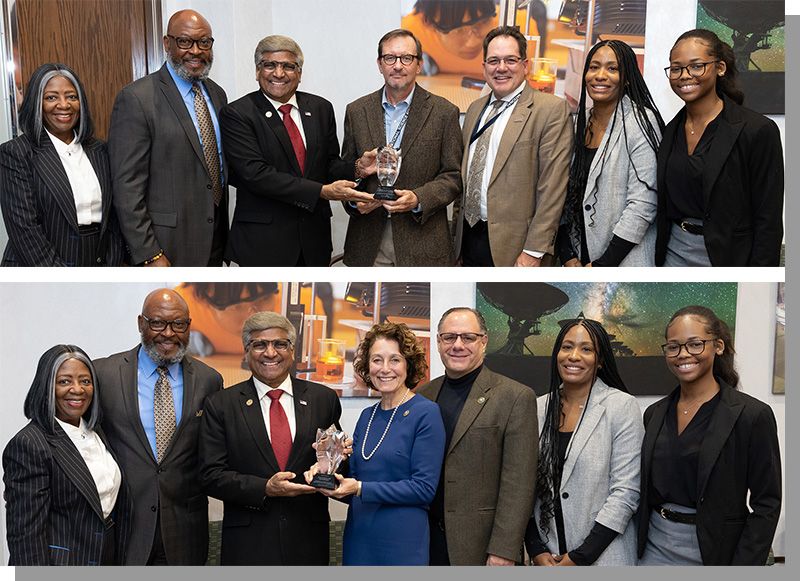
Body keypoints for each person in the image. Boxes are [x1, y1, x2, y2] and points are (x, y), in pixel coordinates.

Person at [638, 306, 782, 565]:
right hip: (654, 546)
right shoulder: (654, 414)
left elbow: (767, 503)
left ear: (718, 346)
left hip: (715, 550)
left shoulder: (751, 415)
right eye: (673, 347)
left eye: (695, 344)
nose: (683, 355)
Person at [199, 311, 343, 565]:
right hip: (248, 545)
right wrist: (264, 488)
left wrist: (340, 458)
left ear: (292, 350)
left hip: (308, 542)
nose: (270, 353)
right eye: (260, 345)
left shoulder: (324, 399)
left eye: (279, 344)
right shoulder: (221, 404)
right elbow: (211, 476)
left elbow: (334, 465)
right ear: (246, 351)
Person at [93, 288, 223, 565]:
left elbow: (214, 449)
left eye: (179, 324)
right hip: (122, 525)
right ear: (141, 323)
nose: (168, 333)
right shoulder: (104, 374)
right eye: (158, 323)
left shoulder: (209, 380)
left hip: (185, 530)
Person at [220, 35, 374, 267]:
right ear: (257, 71)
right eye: (270, 65)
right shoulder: (238, 114)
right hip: (263, 243)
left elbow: (329, 164)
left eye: (288, 66)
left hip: (314, 240)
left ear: (299, 73)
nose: (279, 73)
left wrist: (357, 168)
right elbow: (255, 175)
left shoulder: (321, 108)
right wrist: (321, 191)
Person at [306, 322, 446, 565]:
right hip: (359, 539)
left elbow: (423, 489)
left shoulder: (426, 413)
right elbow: (353, 489)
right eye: (377, 360)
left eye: (395, 360)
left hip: (402, 542)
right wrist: (327, 474)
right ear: (366, 366)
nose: (385, 369)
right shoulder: (367, 416)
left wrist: (359, 488)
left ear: (408, 364)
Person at [417, 307, 538, 565]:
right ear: (438, 342)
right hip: (425, 542)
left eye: (468, 337)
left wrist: (504, 550)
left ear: (483, 342)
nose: (458, 345)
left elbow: (519, 483)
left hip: (481, 547)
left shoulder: (515, 397)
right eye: (449, 337)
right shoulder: (423, 395)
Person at [108, 9, 228, 267]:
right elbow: (127, 187)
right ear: (167, 43)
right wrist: (149, 253)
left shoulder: (217, 95)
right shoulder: (137, 98)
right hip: (167, 244)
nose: (195, 51)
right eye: (185, 41)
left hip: (215, 239)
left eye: (204, 42)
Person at [655, 29, 784, 266]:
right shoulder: (669, 131)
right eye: (676, 68)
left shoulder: (757, 130)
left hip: (727, 259)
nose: (684, 75)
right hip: (672, 256)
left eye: (696, 66)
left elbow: (769, 221)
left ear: (720, 68)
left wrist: (756, 278)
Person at [525, 318, 643, 566]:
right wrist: (535, 548)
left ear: (600, 361)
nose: (573, 356)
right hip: (548, 555)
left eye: (586, 349)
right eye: (566, 347)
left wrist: (581, 557)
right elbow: (524, 487)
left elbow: (626, 493)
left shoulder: (621, 406)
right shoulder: (537, 408)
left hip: (603, 555)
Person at [341, 28, 463, 266]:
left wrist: (418, 198)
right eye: (390, 58)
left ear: (419, 64)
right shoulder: (357, 111)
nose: (398, 65)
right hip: (368, 240)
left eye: (406, 58)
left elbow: (453, 177)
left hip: (422, 241)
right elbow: (347, 170)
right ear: (380, 64)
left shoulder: (444, 113)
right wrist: (355, 202)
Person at [455, 26, 573, 267]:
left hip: (516, 248)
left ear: (525, 65)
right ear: (484, 66)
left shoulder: (550, 110)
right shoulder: (475, 110)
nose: (501, 68)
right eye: (493, 61)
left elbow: (552, 188)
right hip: (468, 239)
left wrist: (534, 251)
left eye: (510, 60)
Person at [3, 345, 130, 565]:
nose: (77, 389)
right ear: (46, 387)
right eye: (64, 381)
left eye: (85, 381)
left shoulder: (96, 432)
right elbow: (26, 536)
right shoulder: (29, 444)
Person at [0, 63, 126, 266]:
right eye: (51, 97)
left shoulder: (101, 150)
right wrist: (61, 278)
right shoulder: (16, 153)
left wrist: (111, 265)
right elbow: (24, 229)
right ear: (36, 103)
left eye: (71, 96)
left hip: (99, 267)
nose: (64, 105)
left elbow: (114, 218)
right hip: (38, 270)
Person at [556, 40, 664, 267]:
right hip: (579, 258)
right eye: (594, 67)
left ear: (626, 78)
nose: (600, 75)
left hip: (623, 261)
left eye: (612, 69)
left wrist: (603, 265)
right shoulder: (580, 122)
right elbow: (564, 194)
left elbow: (643, 203)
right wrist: (567, 255)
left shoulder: (640, 122)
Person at [401, 1, 548, 76]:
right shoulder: (411, 33)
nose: (473, 42)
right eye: (458, 30)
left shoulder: (518, 27)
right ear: (429, 24)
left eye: (483, 23)